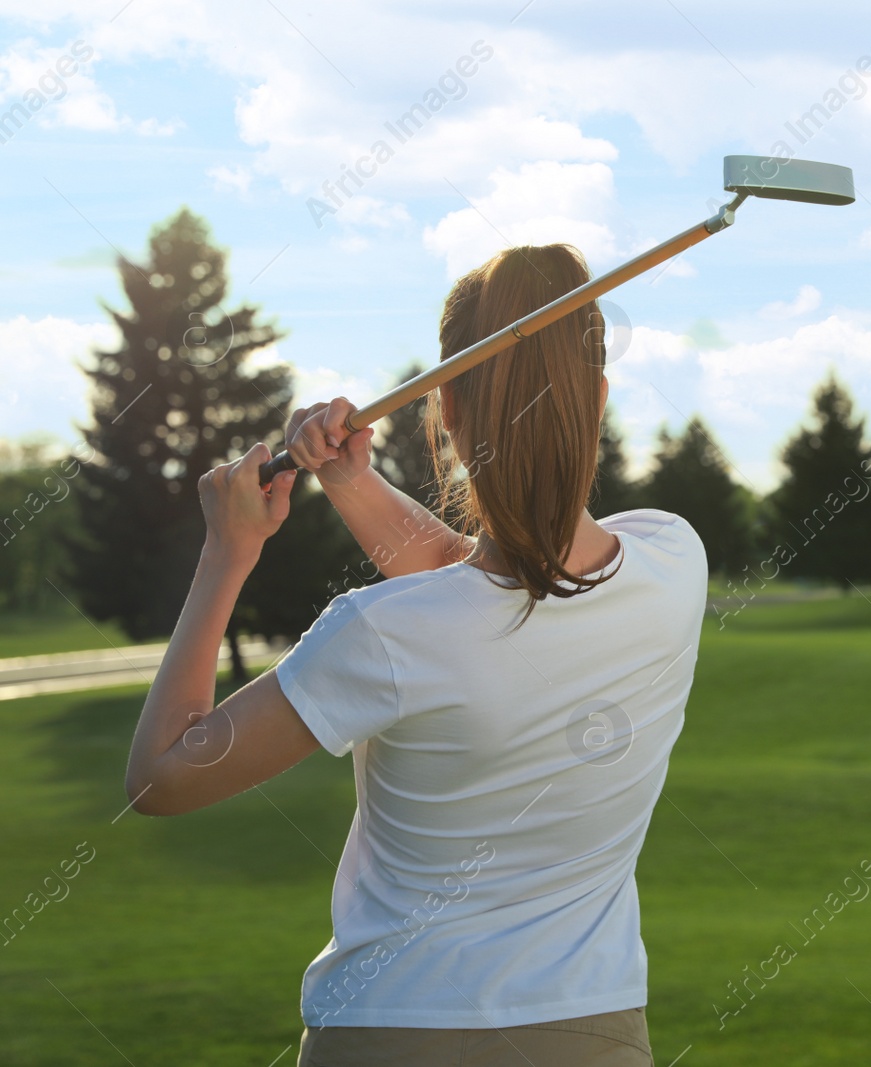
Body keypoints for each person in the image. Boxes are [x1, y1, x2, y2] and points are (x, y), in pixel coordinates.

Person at [123, 244, 707, 1066]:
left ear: (447, 414)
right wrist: (349, 481)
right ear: (599, 399)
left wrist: (227, 553)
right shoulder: (674, 561)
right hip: (596, 1033)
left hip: (392, 1032)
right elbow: (475, 584)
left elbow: (163, 776)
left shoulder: (382, 632)